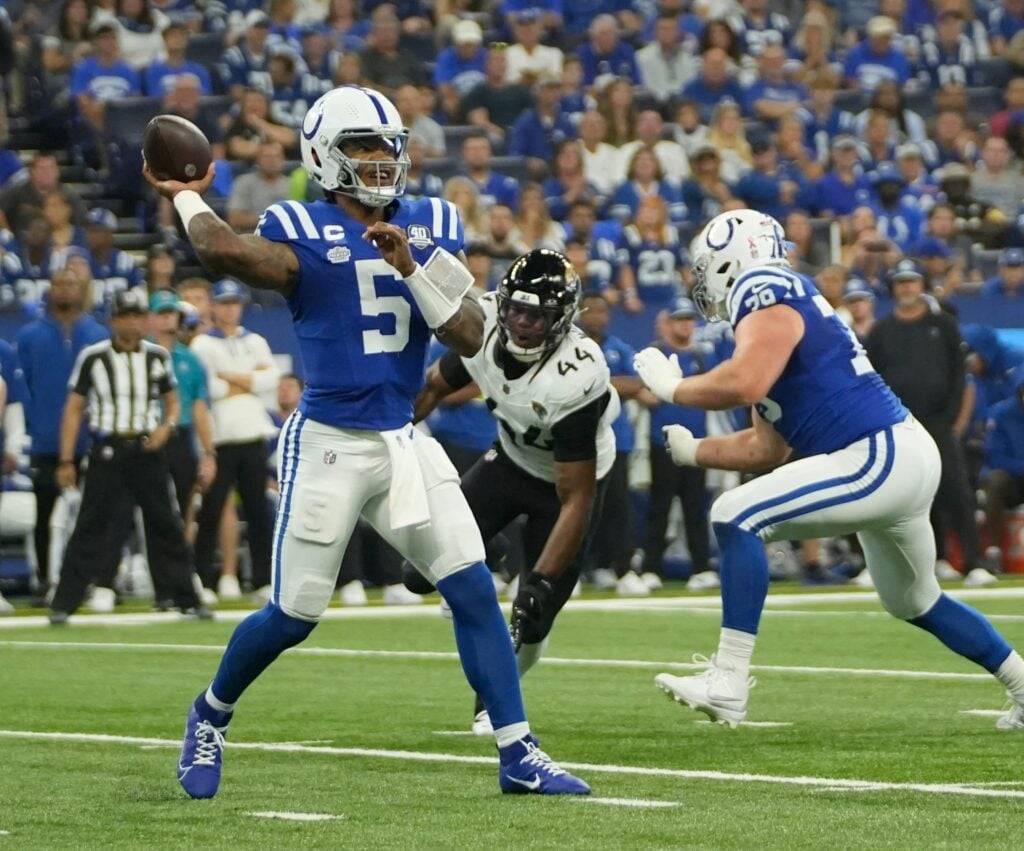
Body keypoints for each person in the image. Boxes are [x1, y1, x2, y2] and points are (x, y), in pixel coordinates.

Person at [143, 85, 590, 798]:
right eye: (362, 146)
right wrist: (188, 194)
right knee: (293, 615)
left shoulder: (433, 221)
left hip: (402, 438)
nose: (381, 159)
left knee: (473, 586)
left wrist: (410, 264)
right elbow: (222, 252)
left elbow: (472, 336)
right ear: (325, 155)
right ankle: (209, 714)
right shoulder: (299, 224)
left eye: (388, 145)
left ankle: (518, 752)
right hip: (328, 439)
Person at [632, 208, 1024, 731]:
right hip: (894, 454)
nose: (702, 278)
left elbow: (746, 382)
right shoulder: (770, 309)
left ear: (735, 254)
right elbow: (766, 446)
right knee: (914, 600)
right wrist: (696, 450)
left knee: (735, 513)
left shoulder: (763, 284)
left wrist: (673, 389)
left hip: (876, 452)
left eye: (706, 265)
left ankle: (727, 680)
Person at [409, 249, 618, 735]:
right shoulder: (481, 330)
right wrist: (389, 427)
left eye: (538, 315)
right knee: (417, 573)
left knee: (533, 614)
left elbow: (577, 498)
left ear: (562, 319)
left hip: (566, 490)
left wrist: (542, 581)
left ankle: (496, 700)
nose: (523, 323)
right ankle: (490, 552)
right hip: (509, 463)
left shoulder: (578, 376)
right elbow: (436, 385)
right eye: (517, 310)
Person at [48, 288, 208, 623]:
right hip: (108, 448)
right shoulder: (94, 356)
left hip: (146, 449)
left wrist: (166, 427)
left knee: (166, 523)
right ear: (113, 320)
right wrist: (66, 459)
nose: (133, 323)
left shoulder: (156, 357)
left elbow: (173, 400)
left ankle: (186, 597)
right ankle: (65, 602)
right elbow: (74, 409)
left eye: (138, 316)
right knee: (90, 524)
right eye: (126, 316)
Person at [866, 260, 989, 584]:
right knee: (911, 495)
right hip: (899, 426)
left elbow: (958, 377)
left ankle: (973, 562)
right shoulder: (881, 332)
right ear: (893, 288)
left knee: (956, 490)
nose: (907, 287)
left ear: (922, 285)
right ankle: (935, 560)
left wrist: (952, 419)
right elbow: (872, 379)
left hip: (939, 423)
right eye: (901, 282)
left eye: (913, 281)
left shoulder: (944, 325)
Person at [17, 265, 107, 602]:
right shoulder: (30, 336)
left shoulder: (96, 333)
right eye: (59, 283)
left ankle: (87, 579)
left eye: (72, 284)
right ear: (49, 289)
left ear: (83, 288)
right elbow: (23, 386)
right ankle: (43, 578)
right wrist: (31, 426)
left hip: (92, 438)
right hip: (45, 440)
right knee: (44, 514)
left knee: (92, 516)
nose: (65, 289)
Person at [189, 278, 279, 601]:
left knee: (258, 512)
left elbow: (271, 379)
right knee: (212, 510)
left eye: (234, 303)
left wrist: (235, 378)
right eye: (224, 303)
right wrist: (250, 381)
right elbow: (208, 389)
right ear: (213, 306)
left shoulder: (254, 340)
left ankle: (262, 580)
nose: (230, 309)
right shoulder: (202, 344)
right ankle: (203, 578)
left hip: (252, 434)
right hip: (221, 437)